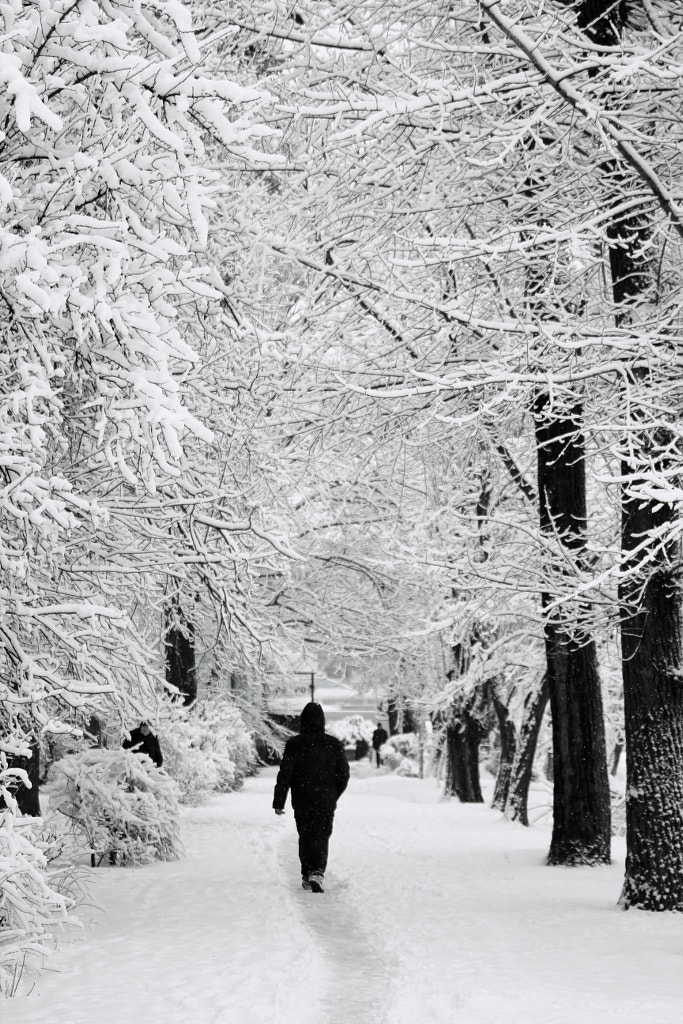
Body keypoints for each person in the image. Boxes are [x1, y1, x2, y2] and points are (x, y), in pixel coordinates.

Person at [273, 702, 349, 893]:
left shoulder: (294, 744)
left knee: (305, 836)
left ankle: (307, 874)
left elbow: (285, 774)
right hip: (325, 801)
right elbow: (344, 774)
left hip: (302, 799)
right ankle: (317, 871)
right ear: (322, 721)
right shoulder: (333, 744)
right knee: (321, 836)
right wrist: (333, 794)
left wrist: (279, 801)